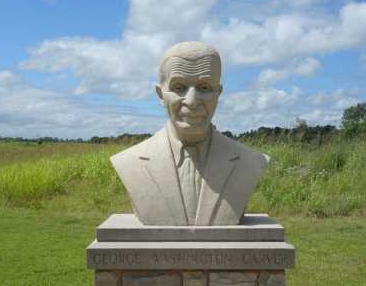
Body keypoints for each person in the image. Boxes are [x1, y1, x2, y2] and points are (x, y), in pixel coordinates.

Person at [110, 41, 268, 226]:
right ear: (161, 95)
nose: (192, 101)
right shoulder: (130, 161)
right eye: (179, 87)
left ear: (218, 92)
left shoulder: (250, 161)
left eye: (204, 87)